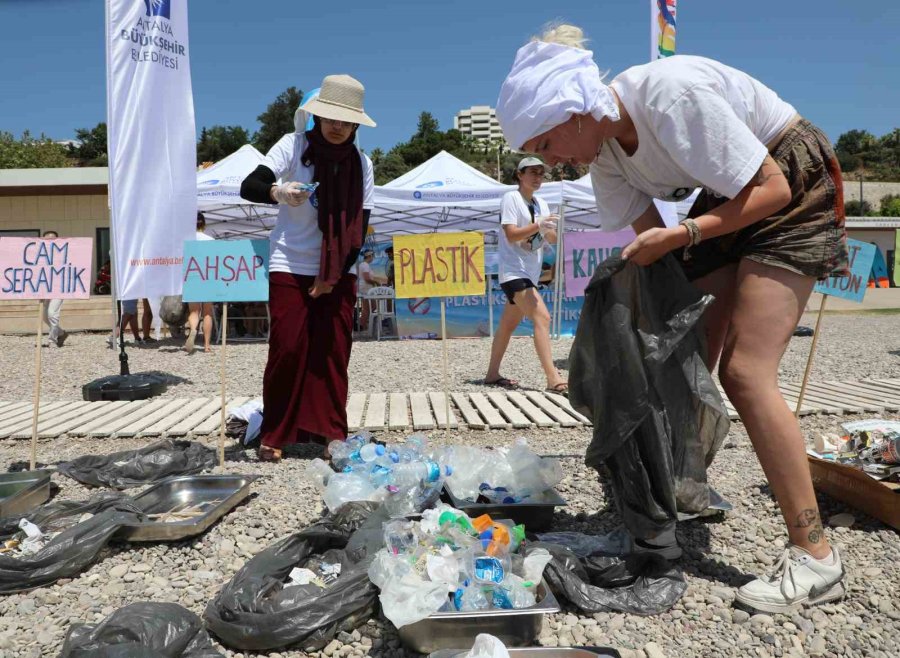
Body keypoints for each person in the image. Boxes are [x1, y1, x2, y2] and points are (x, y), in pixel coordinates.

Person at [496, 24, 848, 613]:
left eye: (548, 142)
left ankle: (816, 557)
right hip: (730, 195)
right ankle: (673, 496)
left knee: (744, 373)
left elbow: (772, 188)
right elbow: (659, 264)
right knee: (675, 351)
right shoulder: (605, 160)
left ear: (575, 110)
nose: (549, 160)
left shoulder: (668, 95)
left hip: (789, 179)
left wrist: (685, 232)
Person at [240, 74, 376, 462]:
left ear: (355, 125)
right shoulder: (294, 145)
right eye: (330, 117)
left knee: (334, 353)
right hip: (289, 260)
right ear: (316, 116)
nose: (337, 126)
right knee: (287, 347)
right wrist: (276, 192)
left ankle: (332, 434)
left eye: (346, 120)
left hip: (338, 271)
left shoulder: (362, 164)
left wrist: (330, 278)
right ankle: (276, 432)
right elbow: (250, 184)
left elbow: (359, 229)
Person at [484, 157, 567, 394]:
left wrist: (553, 231)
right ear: (519, 175)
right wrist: (539, 225)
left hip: (530, 272)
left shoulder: (541, 202)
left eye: (541, 173)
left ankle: (492, 374)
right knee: (543, 318)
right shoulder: (511, 198)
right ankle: (553, 378)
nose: (538, 177)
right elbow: (511, 235)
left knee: (507, 326)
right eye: (532, 172)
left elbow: (548, 237)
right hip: (513, 272)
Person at [185, 212, 215, 354]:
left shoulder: (187, 240)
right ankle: (207, 345)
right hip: (208, 277)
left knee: (194, 311)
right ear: (204, 223)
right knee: (207, 312)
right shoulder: (210, 240)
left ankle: (193, 329)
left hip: (191, 276)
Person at [40, 231, 68, 347]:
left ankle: (52, 340)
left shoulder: (62, 253)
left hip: (58, 288)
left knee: (52, 314)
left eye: (53, 239)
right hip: (45, 288)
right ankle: (61, 333)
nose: (50, 241)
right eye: (47, 239)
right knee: (44, 316)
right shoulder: (40, 255)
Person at [356, 249, 385, 332]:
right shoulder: (364, 265)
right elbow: (367, 278)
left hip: (367, 288)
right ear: (369, 256)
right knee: (367, 308)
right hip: (366, 288)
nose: (373, 258)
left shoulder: (365, 265)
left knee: (371, 307)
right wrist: (376, 282)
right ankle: (362, 324)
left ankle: (364, 324)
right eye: (372, 256)